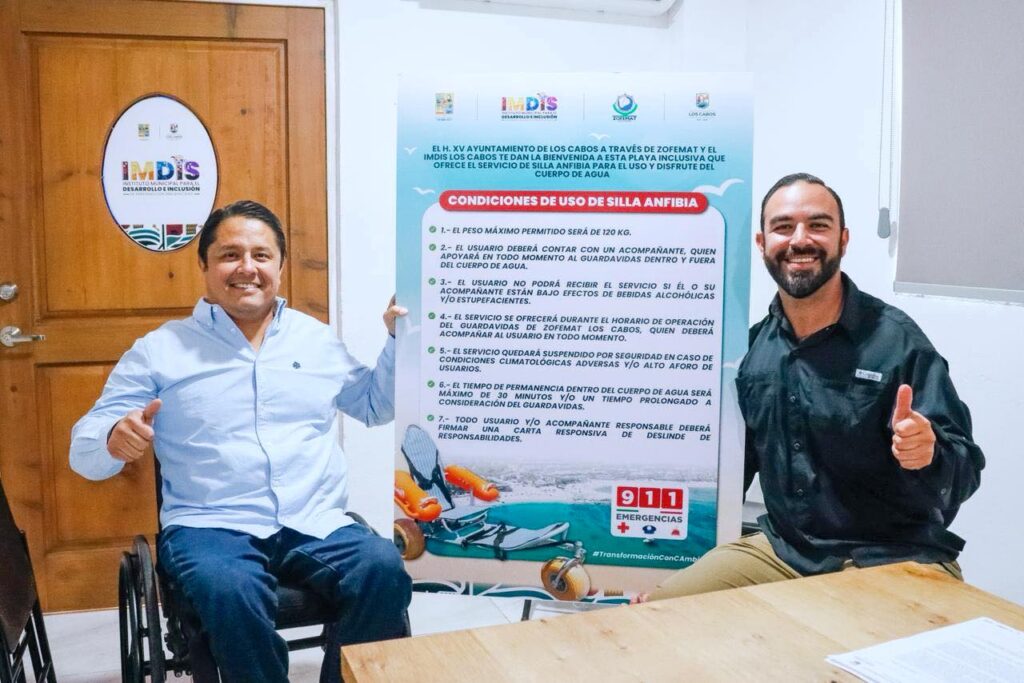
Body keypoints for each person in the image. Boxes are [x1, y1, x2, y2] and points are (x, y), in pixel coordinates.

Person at [70, 200, 411, 682]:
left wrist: (397, 341)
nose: (247, 268)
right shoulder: (160, 350)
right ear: (204, 265)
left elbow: (374, 406)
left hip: (313, 519)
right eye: (230, 255)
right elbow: (84, 451)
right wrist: (112, 439)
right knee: (228, 589)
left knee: (382, 567)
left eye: (261, 255)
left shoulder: (314, 341)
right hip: (211, 525)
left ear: (280, 266)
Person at [641, 172, 984, 601]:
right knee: (661, 608)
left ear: (843, 240)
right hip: (786, 553)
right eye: (783, 227)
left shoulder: (897, 342)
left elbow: (966, 471)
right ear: (762, 243)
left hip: (894, 554)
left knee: (902, 644)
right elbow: (731, 473)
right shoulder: (753, 351)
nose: (800, 240)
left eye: (817, 225)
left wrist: (929, 453)